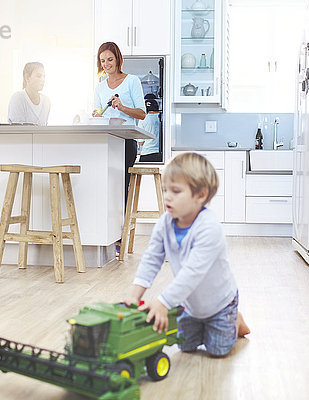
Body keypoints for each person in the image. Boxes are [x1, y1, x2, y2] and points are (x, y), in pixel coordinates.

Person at [124, 152, 250, 357]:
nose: (167, 196)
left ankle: (234, 319)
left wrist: (163, 301)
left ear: (200, 195)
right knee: (185, 346)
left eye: (175, 191)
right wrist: (134, 297)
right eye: (165, 190)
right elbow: (151, 259)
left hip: (220, 303)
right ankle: (203, 325)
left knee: (217, 350)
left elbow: (192, 273)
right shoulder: (164, 223)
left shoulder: (209, 228)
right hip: (190, 303)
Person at [92, 42, 146, 256]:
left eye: (110, 60)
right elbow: (97, 110)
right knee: (106, 187)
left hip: (125, 141)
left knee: (121, 188)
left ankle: (120, 238)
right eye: (103, 61)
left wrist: (121, 106)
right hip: (106, 141)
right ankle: (105, 234)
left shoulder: (131, 81)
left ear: (118, 59)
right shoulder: (100, 86)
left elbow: (142, 114)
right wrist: (96, 115)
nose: (106, 64)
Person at [138, 97, 161, 162]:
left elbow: (141, 142)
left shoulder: (142, 119)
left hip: (146, 154)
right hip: (160, 154)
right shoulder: (162, 117)